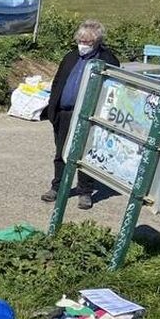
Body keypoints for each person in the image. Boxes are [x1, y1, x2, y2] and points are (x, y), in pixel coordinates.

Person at [41, 19, 120, 210]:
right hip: (65, 113)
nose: (83, 45)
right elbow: (58, 81)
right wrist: (53, 108)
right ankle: (58, 187)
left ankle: (85, 192)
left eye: (88, 42)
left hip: (89, 116)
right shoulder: (70, 57)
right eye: (81, 40)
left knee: (86, 155)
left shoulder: (108, 60)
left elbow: (115, 91)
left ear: (97, 42)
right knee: (61, 152)